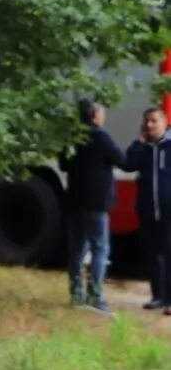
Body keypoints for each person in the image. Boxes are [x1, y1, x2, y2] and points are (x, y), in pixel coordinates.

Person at [62, 98, 124, 312]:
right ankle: (96, 296)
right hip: (97, 203)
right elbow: (121, 159)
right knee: (100, 249)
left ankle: (76, 294)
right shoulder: (101, 136)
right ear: (95, 116)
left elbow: (63, 163)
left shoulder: (72, 138)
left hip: (74, 201)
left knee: (77, 249)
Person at [124, 105, 171, 314]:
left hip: (169, 210)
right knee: (154, 255)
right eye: (147, 122)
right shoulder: (143, 149)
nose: (150, 125)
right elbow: (128, 164)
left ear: (164, 122)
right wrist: (138, 141)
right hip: (148, 210)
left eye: (154, 121)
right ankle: (158, 296)